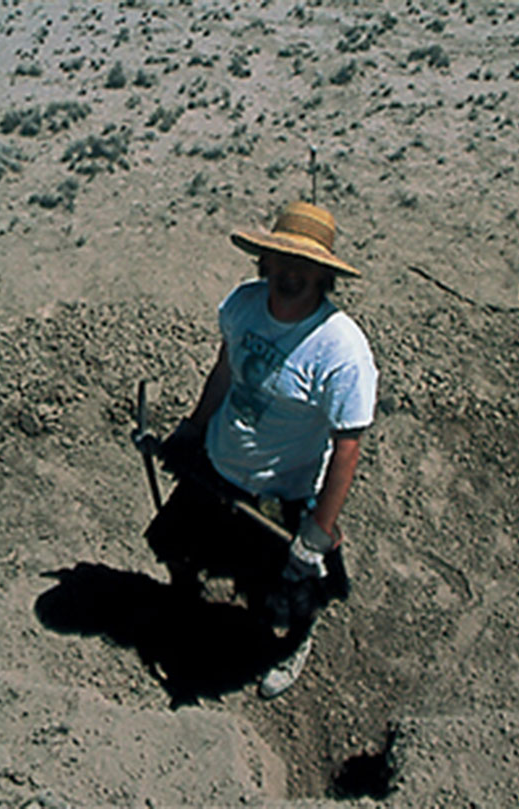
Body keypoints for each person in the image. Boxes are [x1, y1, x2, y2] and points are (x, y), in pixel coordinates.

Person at [144, 200, 378, 699]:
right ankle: (189, 606)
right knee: (177, 545)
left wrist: (317, 530)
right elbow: (225, 369)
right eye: (281, 259)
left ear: (322, 274)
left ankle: (294, 642)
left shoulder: (340, 350)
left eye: (304, 264)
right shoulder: (245, 305)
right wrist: (192, 429)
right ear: (264, 260)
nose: (289, 273)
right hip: (221, 460)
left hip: (284, 486)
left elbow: (347, 447)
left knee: (287, 594)